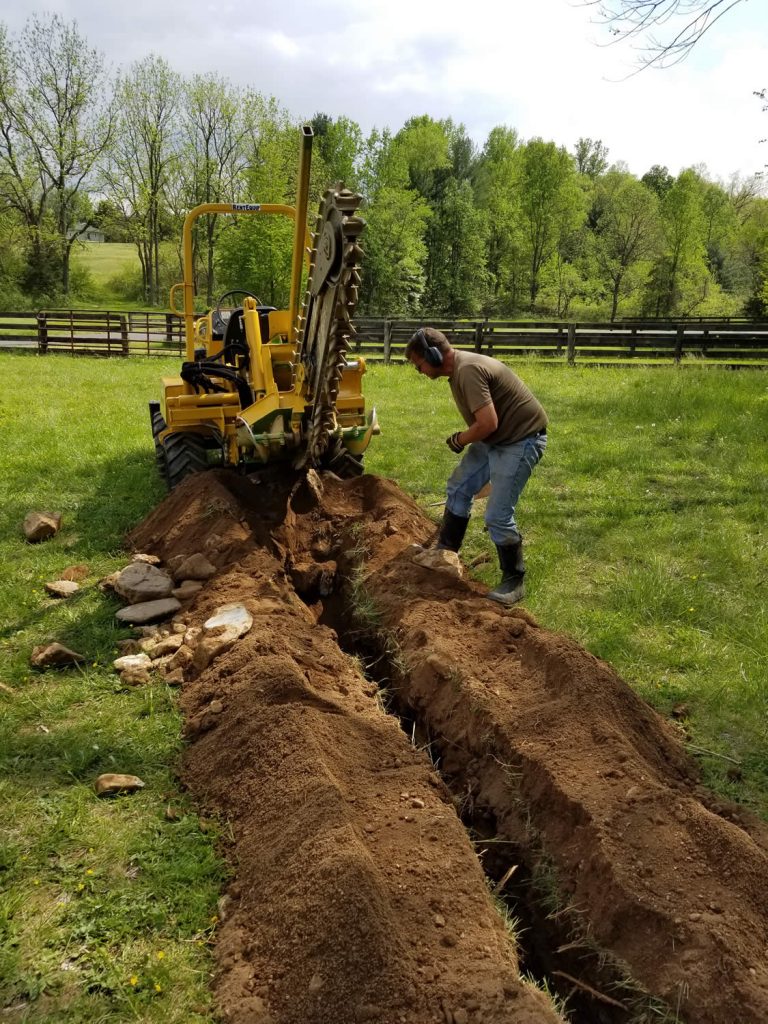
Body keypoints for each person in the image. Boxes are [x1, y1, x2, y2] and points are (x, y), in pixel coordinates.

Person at [405, 327, 548, 606]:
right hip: (495, 438)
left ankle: (514, 580)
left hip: (520, 440)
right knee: (459, 487)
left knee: (497, 515)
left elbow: (488, 423)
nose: (419, 371)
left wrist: (460, 439)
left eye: (418, 364)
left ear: (433, 356)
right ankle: (446, 551)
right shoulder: (458, 370)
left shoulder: (468, 371)